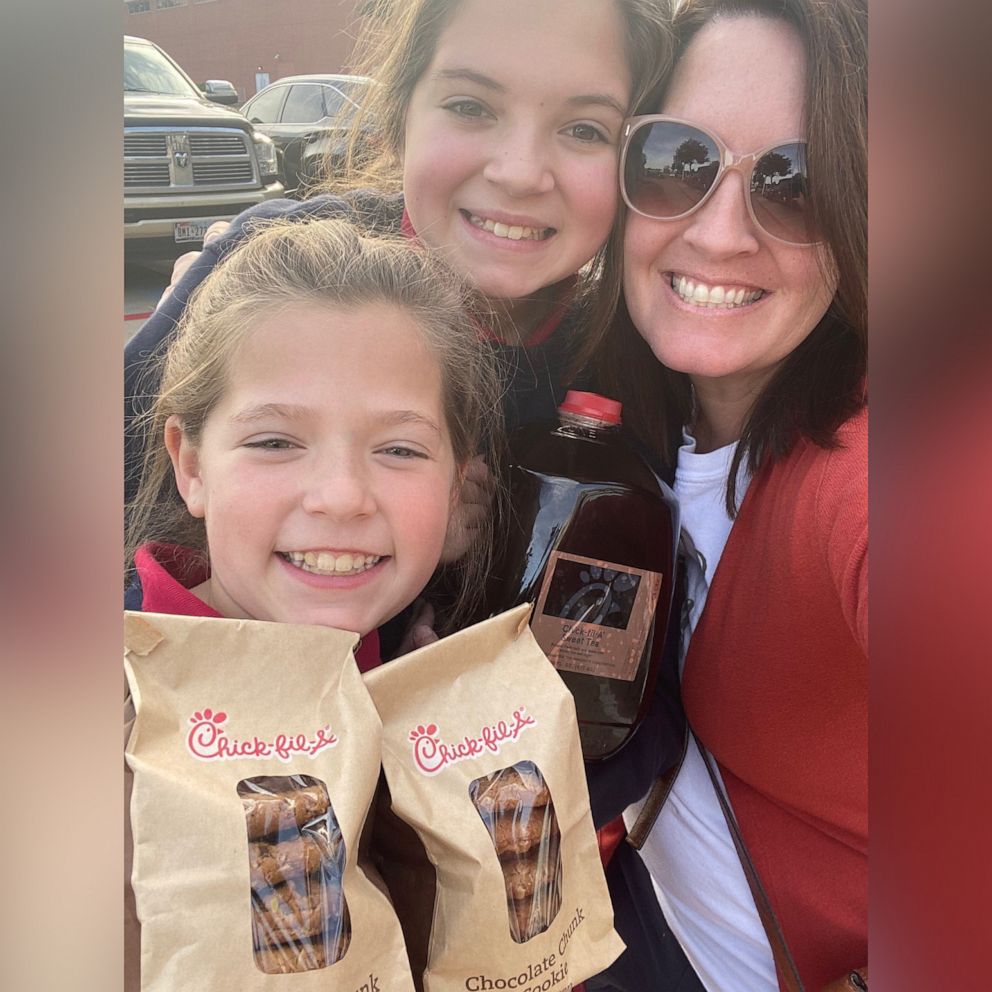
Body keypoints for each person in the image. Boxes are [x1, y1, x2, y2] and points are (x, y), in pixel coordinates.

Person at [126, 0, 673, 512]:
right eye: (471, 106)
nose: (521, 173)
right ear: (398, 121)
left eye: (585, 129)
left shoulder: (650, 351)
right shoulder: (272, 272)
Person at [587, 0, 868, 990]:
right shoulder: (636, 400)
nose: (716, 231)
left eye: (793, 185)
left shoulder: (861, 468)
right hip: (599, 884)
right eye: (676, 160)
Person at [125, 216, 503, 643]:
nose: (342, 498)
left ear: (454, 484)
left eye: (400, 451)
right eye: (274, 443)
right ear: (192, 466)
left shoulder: (419, 670)